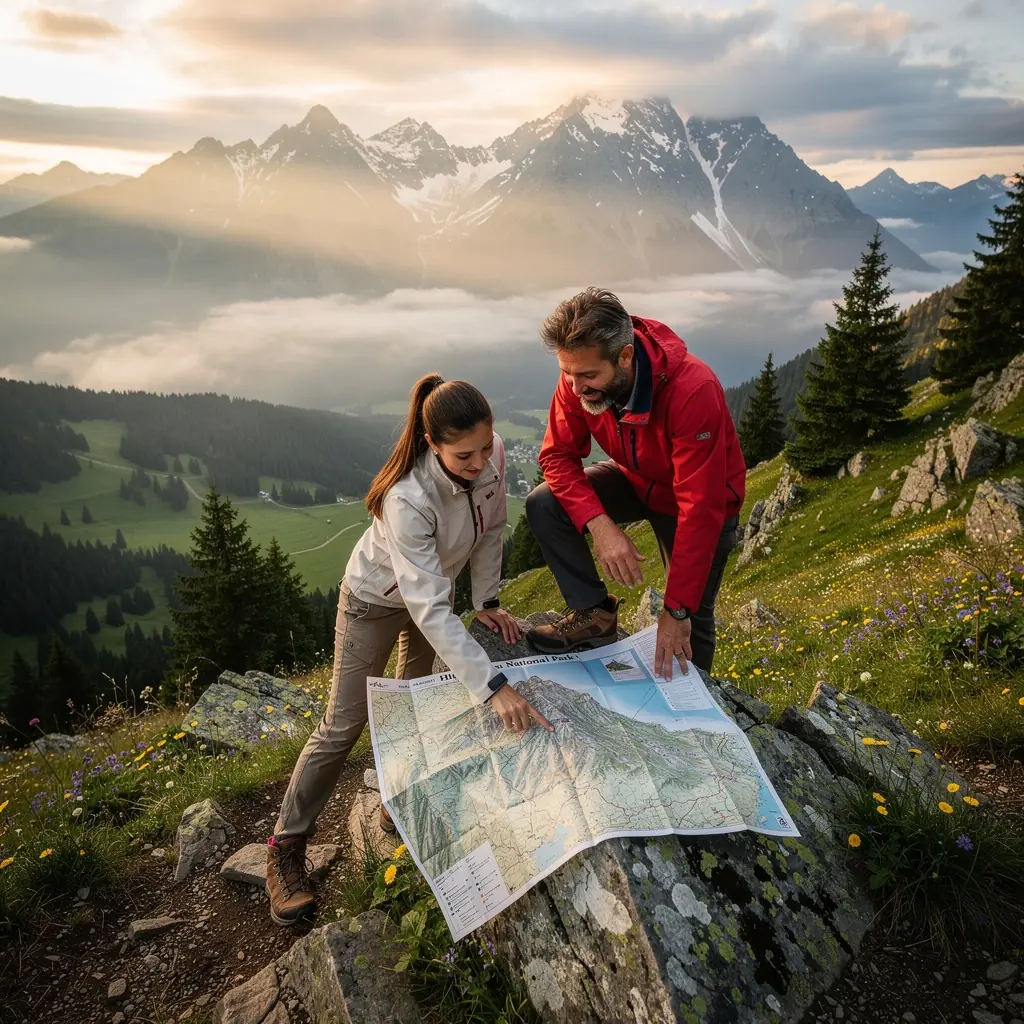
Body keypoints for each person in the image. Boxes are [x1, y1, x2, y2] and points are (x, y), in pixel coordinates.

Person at [267, 374, 552, 926]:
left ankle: (398, 801)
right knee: (343, 725)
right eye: (462, 455)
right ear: (432, 445)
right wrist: (493, 687)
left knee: (415, 702)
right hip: (374, 601)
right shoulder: (407, 498)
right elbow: (426, 607)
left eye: (484, 449)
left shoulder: (488, 453)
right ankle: (287, 847)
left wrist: (489, 597)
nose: (479, 463)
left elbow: (492, 528)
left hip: (431, 593)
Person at [524, 288, 746, 679]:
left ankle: (696, 702)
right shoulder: (579, 375)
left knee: (693, 614)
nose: (575, 389)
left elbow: (700, 508)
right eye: (566, 374)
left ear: (624, 356)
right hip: (636, 479)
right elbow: (557, 457)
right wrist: (600, 523)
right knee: (545, 502)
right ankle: (593, 615)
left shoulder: (693, 390)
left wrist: (675, 609)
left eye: (588, 376)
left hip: (699, 502)